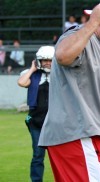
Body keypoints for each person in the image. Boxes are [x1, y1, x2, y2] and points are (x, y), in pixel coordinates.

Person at [38, 1, 100, 181]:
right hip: (80, 134)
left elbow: (82, 86)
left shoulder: (97, 45)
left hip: (85, 134)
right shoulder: (81, 35)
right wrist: (92, 23)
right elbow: (63, 55)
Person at [17, 46, 55, 182]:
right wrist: (33, 69)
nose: (47, 63)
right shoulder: (32, 74)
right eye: (44, 60)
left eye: (50, 60)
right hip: (36, 122)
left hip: (55, 123)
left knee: (58, 156)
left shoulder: (60, 75)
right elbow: (21, 82)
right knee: (38, 155)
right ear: (38, 60)